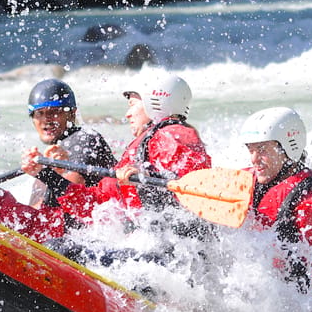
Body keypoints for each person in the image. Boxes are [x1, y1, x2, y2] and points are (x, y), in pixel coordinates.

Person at [23, 72, 211, 223]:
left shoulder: (174, 134)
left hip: (173, 248)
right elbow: (92, 206)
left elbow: (189, 197)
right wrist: (46, 175)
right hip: (145, 242)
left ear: (154, 102)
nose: (127, 114)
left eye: (132, 104)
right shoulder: (137, 155)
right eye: (39, 114)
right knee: (62, 247)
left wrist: (147, 181)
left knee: (62, 249)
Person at [239, 106, 312, 293]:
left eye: (262, 149)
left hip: (299, 310)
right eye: (250, 149)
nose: (254, 159)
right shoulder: (247, 181)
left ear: (289, 147)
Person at [25, 78, 116, 209]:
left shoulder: (84, 140)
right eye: (40, 113)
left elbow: (73, 198)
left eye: (54, 112)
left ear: (72, 113)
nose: (46, 119)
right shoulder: (60, 147)